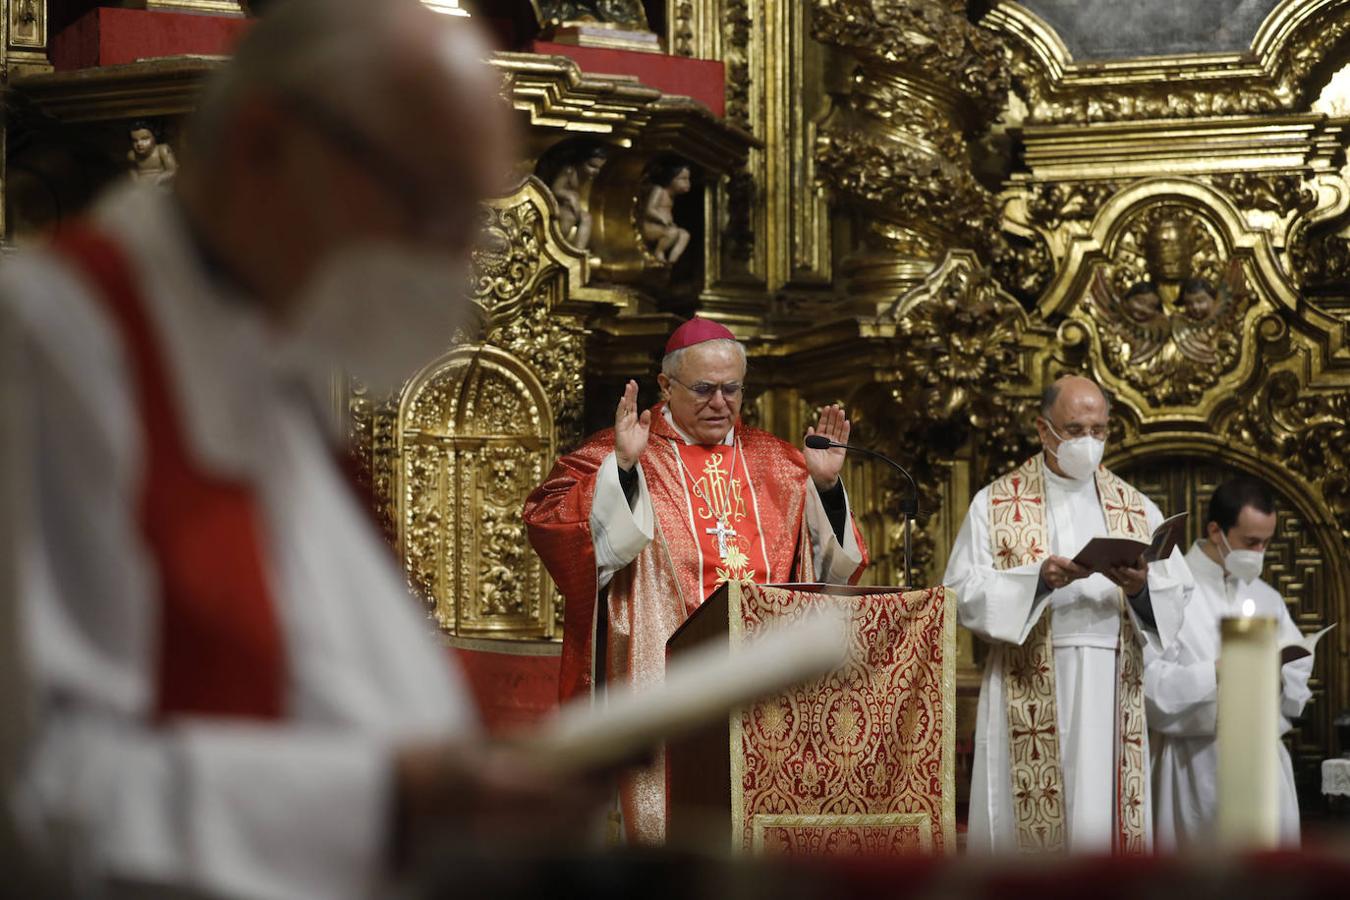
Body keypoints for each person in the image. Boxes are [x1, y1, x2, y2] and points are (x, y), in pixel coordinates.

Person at [0, 2, 595, 897]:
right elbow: (37, 792)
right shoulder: (48, 346)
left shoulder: (272, 370)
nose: (456, 260)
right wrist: (384, 802)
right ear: (267, 146)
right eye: (426, 202)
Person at [523, 317, 868, 843]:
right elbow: (548, 520)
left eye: (732, 389)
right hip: (662, 684)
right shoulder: (622, 450)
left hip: (761, 688)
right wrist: (621, 472)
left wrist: (823, 488)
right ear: (666, 386)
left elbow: (827, 575)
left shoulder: (779, 462)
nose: (720, 402)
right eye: (704, 389)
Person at [943, 375, 1194, 854]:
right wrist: (1038, 580)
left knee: (1101, 823)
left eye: (1099, 431)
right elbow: (961, 591)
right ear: (1043, 429)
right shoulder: (995, 503)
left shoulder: (1136, 506)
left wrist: (1141, 588)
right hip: (1030, 679)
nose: (1089, 442)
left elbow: (1178, 594)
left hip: (1114, 684)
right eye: (1075, 429)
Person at [1146, 477, 1312, 850]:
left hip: (1261, 763)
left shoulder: (1266, 597)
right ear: (1215, 531)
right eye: (1250, 542)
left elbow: (1297, 676)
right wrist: (1218, 671)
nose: (1260, 552)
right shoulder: (1169, 590)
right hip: (1194, 765)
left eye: (1266, 542)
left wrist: (1280, 679)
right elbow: (1150, 686)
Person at [640, 160, 692, 264]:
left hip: (665, 227)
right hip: (651, 226)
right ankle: (658, 253)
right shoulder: (659, 190)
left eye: (688, 179)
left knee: (684, 234)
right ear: (670, 178)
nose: (687, 183)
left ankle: (672, 260)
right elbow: (649, 209)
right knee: (672, 233)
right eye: (683, 179)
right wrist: (662, 219)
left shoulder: (672, 196)